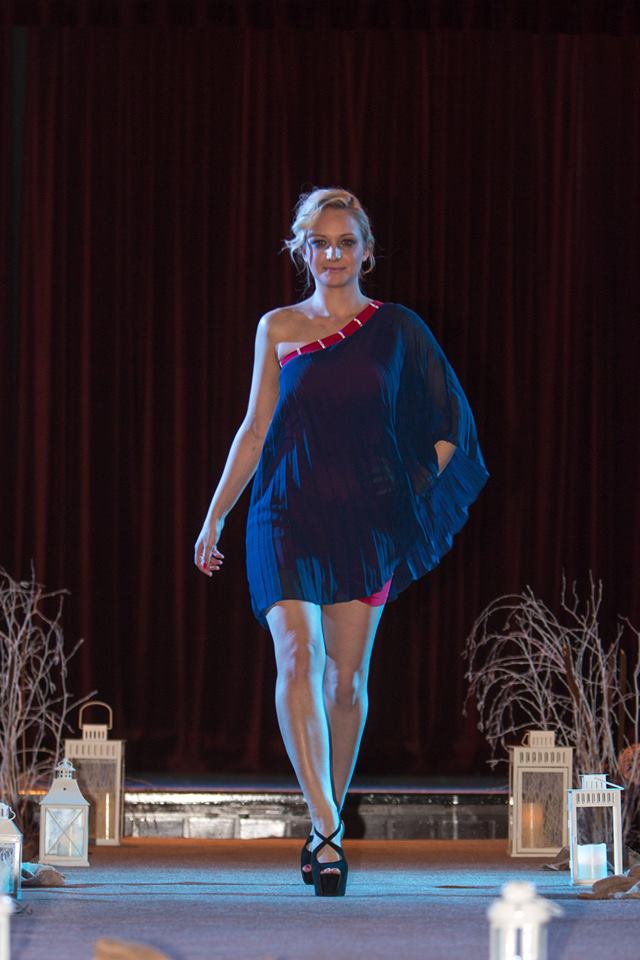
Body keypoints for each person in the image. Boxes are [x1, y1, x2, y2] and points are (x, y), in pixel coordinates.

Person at [194, 187, 488, 896]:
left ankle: (322, 822)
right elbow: (254, 430)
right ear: (303, 250)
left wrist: (410, 482)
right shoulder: (278, 326)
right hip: (284, 513)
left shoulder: (398, 328)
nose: (332, 255)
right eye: (320, 243)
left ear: (367, 251)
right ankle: (327, 827)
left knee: (346, 683)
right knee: (299, 654)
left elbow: (451, 423)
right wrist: (215, 515)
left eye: (345, 242)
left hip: (364, 523)